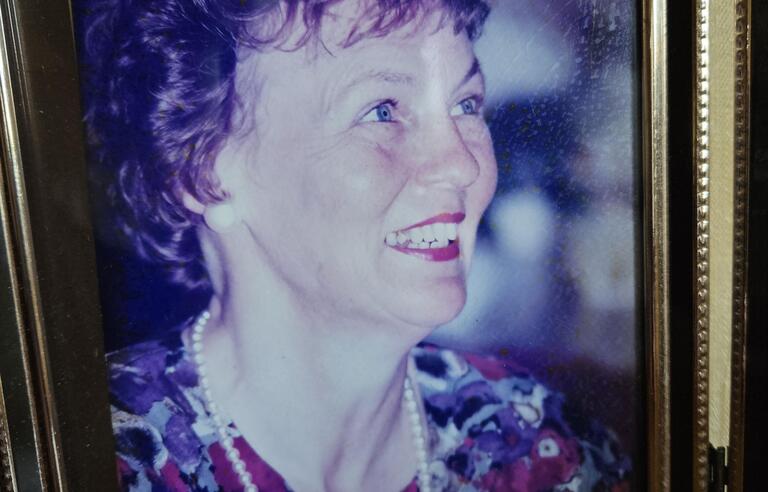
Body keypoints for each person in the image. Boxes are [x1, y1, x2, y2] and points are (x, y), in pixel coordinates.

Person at [80, 0, 631, 490]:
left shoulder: (536, 451)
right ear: (202, 170)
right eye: (383, 110)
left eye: (466, 104)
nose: (462, 164)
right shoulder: (91, 458)